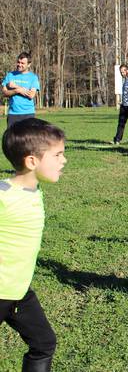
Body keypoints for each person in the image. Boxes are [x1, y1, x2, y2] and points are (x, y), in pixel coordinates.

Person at [0, 118, 67, 372]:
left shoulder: (32, 190)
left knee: (44, 343)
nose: (64, 160)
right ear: (31, 161)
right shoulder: (4, 195)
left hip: (18, 291)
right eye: (58, 154)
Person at [2, 52, 40, 127]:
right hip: (13, 114)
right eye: (18, 62)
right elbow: (4, 93)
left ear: (29, 64)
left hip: (28, 114)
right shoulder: (10, 75)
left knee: (29, 138)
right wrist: (16, 91)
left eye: (22, 63)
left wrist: (16, 86)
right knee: (12, 138)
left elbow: (31, 95)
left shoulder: (33, 77)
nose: (19, 65)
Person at [112, 64, 128, 145]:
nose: (122, 73)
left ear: (127, 70)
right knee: (121, 124)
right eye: (121, 72)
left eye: (123, 71)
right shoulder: (123, 80)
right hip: (124, 106)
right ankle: (117, 140)